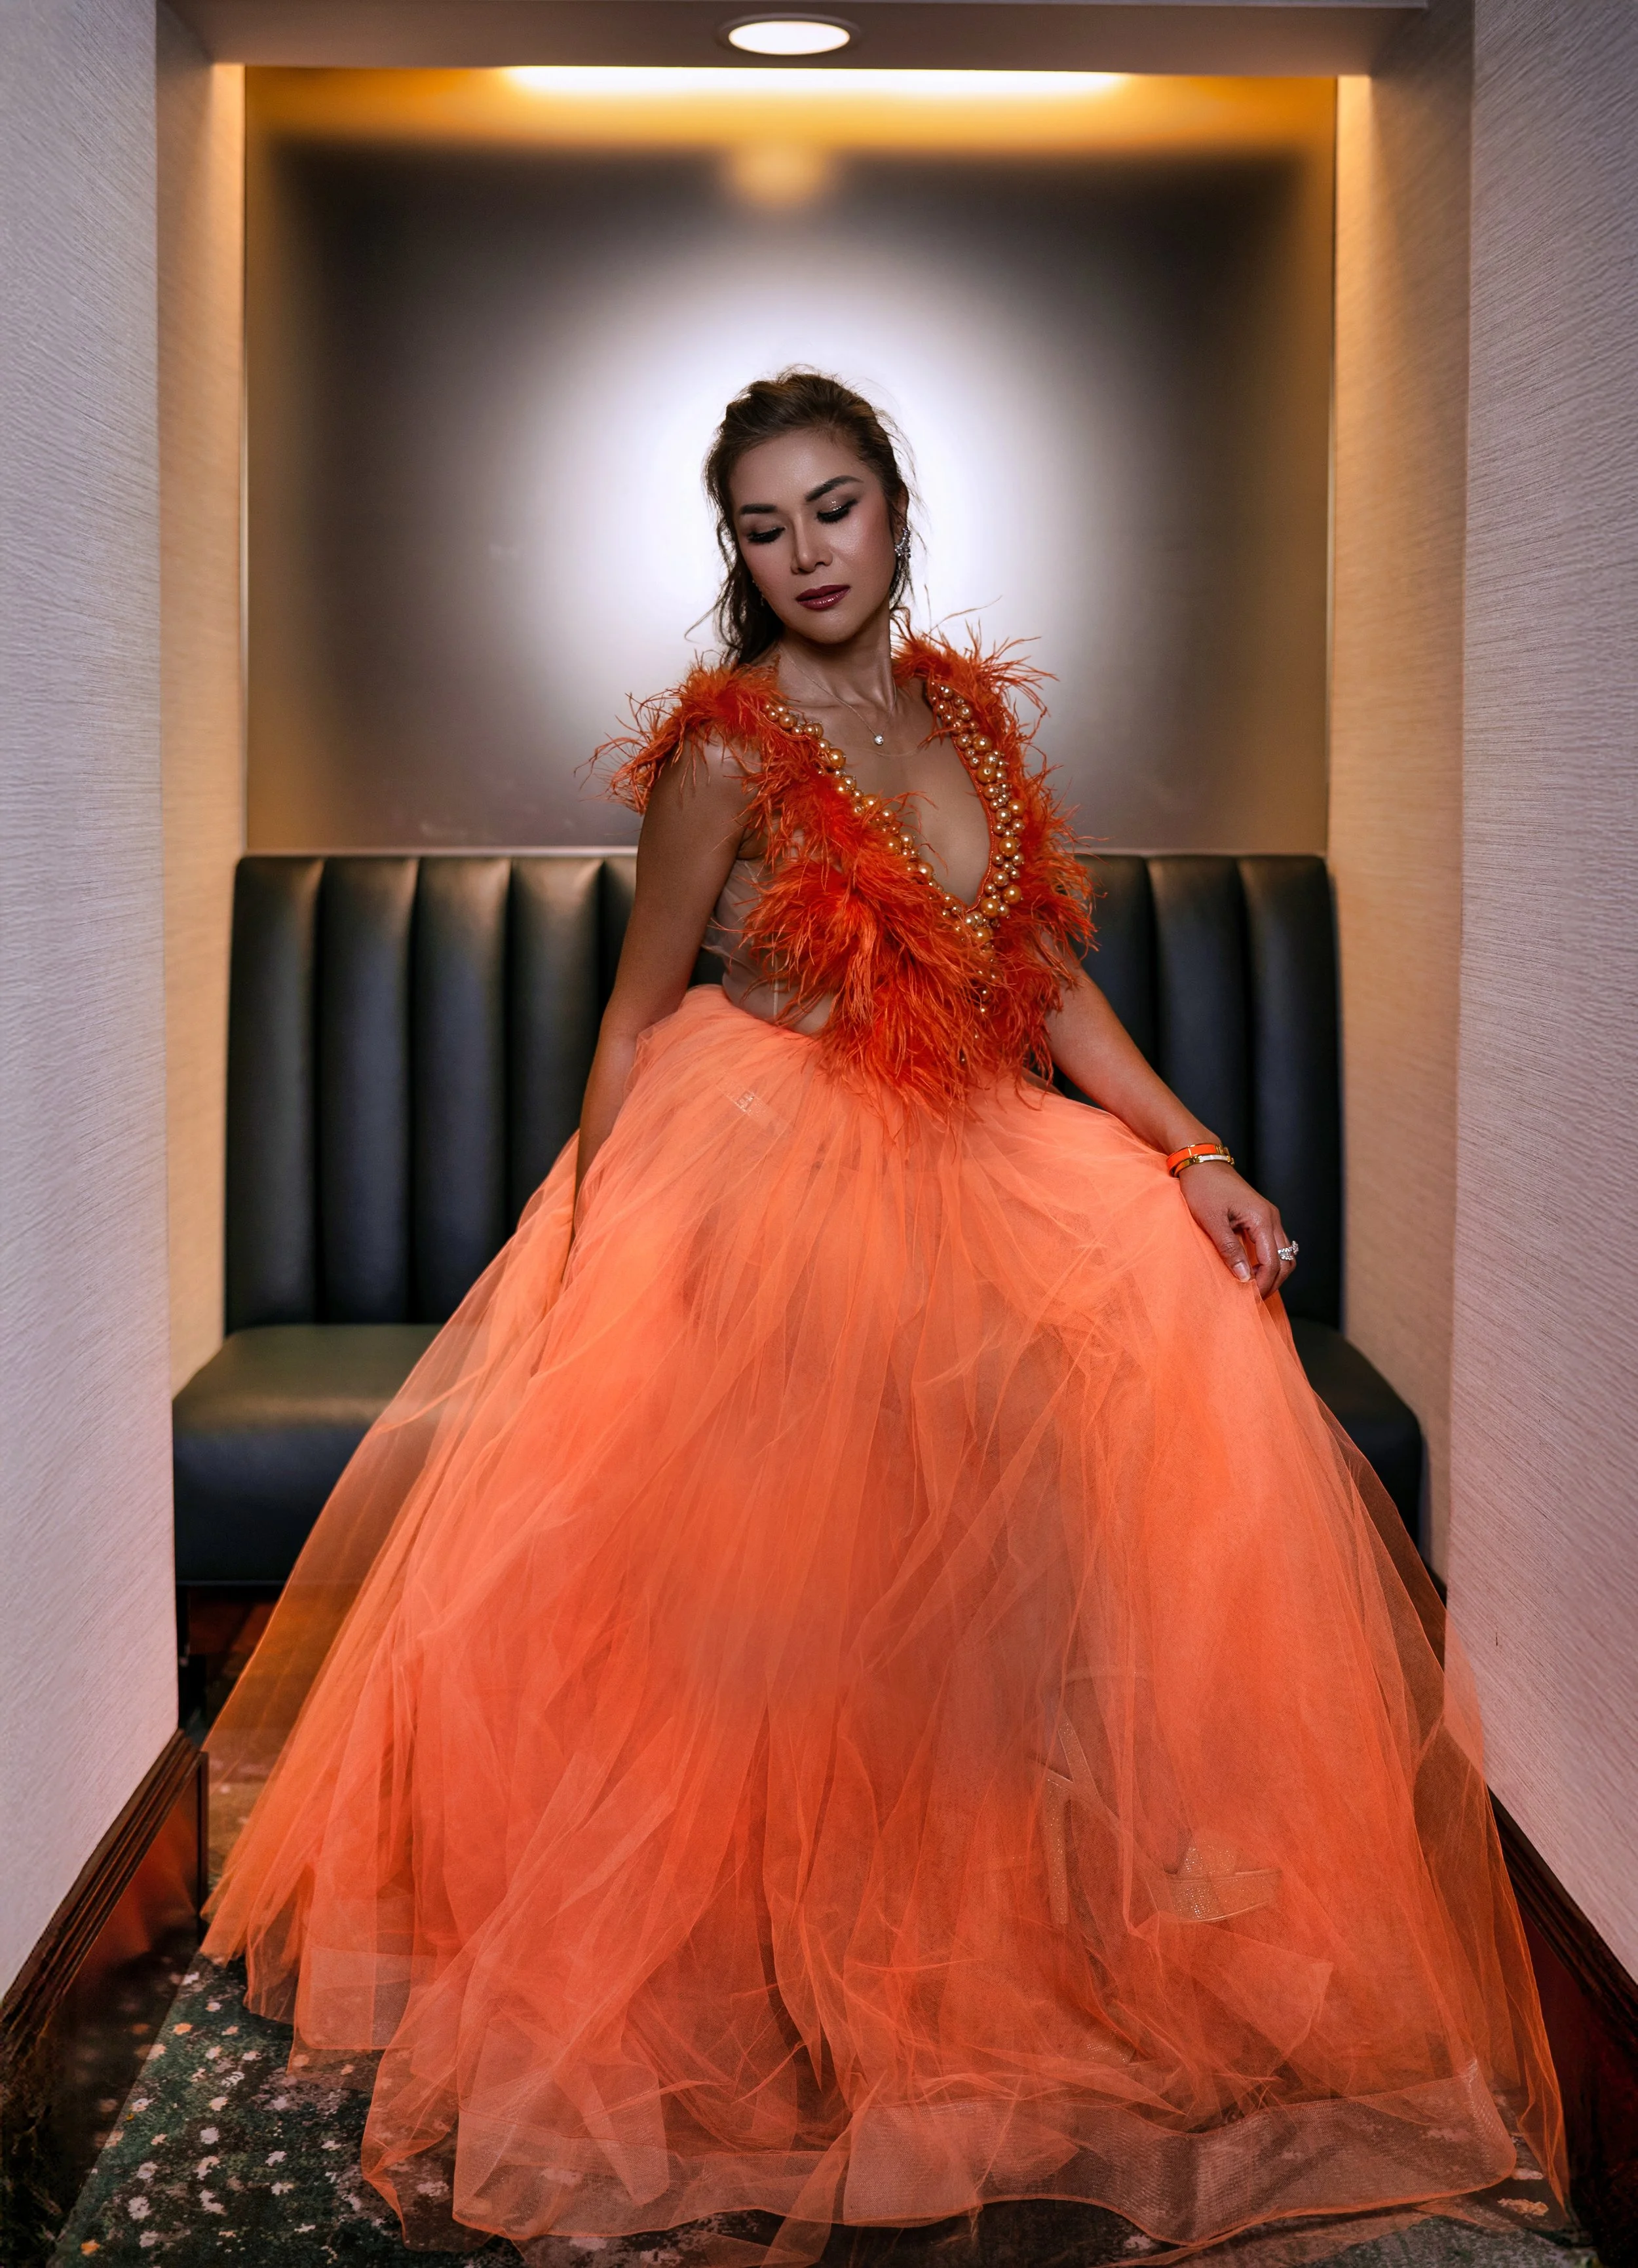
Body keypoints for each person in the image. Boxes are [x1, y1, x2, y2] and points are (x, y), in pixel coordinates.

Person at [204, 370, 1563, 2263]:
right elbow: (632, 1003)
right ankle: (780, 1990)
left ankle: (956, 1965)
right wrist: (597, 1237)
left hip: (975, 1158)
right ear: (734, 553)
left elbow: (1047, 989)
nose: (802, 553)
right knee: (785, 1601)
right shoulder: (725, 752)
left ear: (894, 509)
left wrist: (1193, 1155)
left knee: (1013, 1549)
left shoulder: (964, 722)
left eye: (830, 508)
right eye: (762, 527)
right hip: (763, 1165)